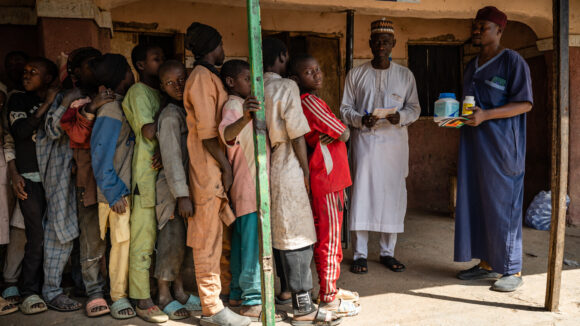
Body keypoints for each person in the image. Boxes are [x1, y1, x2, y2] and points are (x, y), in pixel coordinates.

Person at [262, 37, 341, 326]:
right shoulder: (286, 86)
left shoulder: (258, 86)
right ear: (282, 57)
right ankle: (303, 307)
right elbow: (296, 132)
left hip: (264, 163)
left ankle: (284, 292)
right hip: (286, 160)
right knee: (297, 233)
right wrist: (305, 170)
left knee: (278, 230)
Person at [454, 6, 533, 292]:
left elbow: (524, 103)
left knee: (503, 205)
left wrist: (486, 115)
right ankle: (487, 264)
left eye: (483, 27)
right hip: (475, 146)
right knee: (478, 202)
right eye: (474, 26)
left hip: (502, 148)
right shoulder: (471, 66)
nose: (476, 31)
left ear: (499, 31)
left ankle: (513, 269)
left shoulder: (513, 62)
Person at [183, 22, 250, 326]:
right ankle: (211, 308)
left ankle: (219, 300)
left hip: (214, 168)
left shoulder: (209, 77)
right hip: (207, 168)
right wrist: (224, 168)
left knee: (217, 237)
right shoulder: (200, 78)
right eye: (222, 45)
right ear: (213, 46)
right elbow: (209, 133)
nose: (224, 51)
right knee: (206, 237)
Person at [341, 18, 420, 274]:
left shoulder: (405, 75)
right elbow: (345, 109)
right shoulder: (356, 74)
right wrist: (359, 119)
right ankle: (360, 254)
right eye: (377, 41)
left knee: (392, 195)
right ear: (370, 43)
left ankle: (388, 253)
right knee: (362, 194)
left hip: (395, 147)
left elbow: (415, 108)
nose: (381, 45)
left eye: (386, 41)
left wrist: (403, 117)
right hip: (365, 144)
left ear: (393, 44)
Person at [288, 54, 360, 317]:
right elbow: (343, 132)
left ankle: (330, 287)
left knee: (329, 236)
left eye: (318, 69)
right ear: (296, 79)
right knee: (330, 239)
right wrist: (336, 132)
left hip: (329, 178)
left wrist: (330, 133)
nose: (317, 75)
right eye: (309, 72)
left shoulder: (307, 101)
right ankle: (328, 297)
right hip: (328, 179)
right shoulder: (309, 101)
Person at [218, 59, 287, 322]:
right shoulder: (235, 105)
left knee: (242, 242)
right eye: (247, 79)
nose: (252, 83)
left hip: (246, 185)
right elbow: (226, 134)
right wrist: (246, 116)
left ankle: (237, 293)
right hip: (249, 185)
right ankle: (252, 300)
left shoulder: (241, 104)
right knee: (252, 245)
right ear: (231, 82)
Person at [60, 47, 116, 315]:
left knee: (118, 237)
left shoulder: (118, 98)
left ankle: (117, 288)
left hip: (118, 178)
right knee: (92, 238)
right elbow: (77, 136)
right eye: (90, 65)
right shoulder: (77, 103)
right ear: (76, 73)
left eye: (99, 64)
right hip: (89, 181)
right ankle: (94, 291)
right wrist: (92, 107)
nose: (95, 70)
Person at [7, 57, 60, 314]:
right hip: (29, 176)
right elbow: (19, 132)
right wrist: (47, 103)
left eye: (34, 72)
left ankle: (52, 287)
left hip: (55, 176)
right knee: (35, 235)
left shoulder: (58, 100)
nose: (26, 75)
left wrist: (53, 100)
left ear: (48, 79)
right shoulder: (18, 100)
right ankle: (29, 290)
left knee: (54, 234)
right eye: (25, 71)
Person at [90, 53, 137, 319]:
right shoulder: (110, 109)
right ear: (123, 77)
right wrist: (113, 191)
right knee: (119, 244)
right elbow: (100, 154)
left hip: (121, 189)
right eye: (130, 71)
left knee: (123, 244)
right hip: (114, 193)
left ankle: (121, 291)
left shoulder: (120, 104)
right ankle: (117, 296)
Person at [122, 43, 167, 323]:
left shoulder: (158, 93)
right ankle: (141, 297)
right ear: (140, 65)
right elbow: (149, 131)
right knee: (143, 238)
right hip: (145, 177)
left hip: (159, 177)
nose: (160, 62)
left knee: (160, 239)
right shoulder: (139, 92)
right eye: (156, 58)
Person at [154, 60, 202, 320]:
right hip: (173, 192)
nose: (178, 86)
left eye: (182, 79)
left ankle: (180, 291)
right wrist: (181, 195)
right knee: (170, 241)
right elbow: (171, 159)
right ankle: (163, 295)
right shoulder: (171, 115)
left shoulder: (186, 110)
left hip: (185, 190)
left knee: (184, 243)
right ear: (162, 86)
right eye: (170, 83)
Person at [1, 51, 29, 305]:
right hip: (13, 169)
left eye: (22, 65)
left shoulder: (31, 97)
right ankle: (8, 281)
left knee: (21, 226)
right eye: (11, 65)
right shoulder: (7, 95)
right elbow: (8, 137)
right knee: (10, 227)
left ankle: (16, 281)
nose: (17, 69)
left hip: (30, 170)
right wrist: (13, 171)